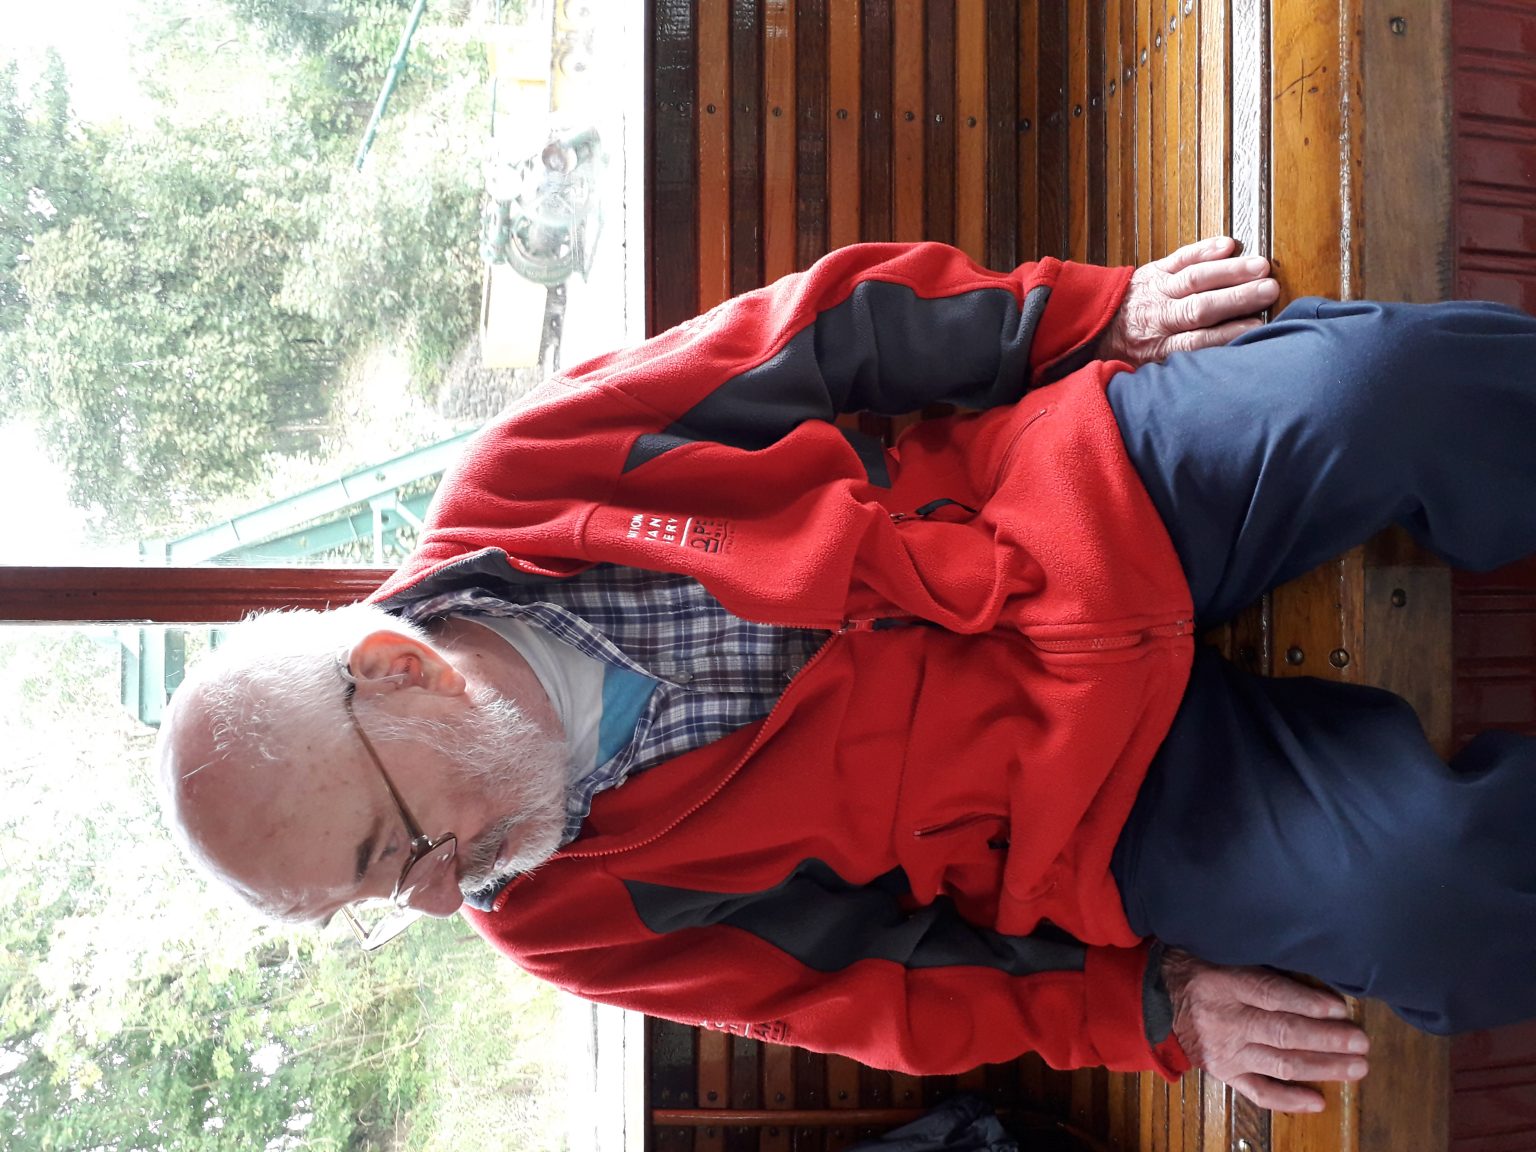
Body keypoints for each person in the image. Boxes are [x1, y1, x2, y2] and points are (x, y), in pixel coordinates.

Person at [158, 237, 1536, 1116]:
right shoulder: (558, 922)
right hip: (1091, 815)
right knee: (1439, 909)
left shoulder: (524, 484)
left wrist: (1086, 315)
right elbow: (869, 993)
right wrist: (1151, 1005)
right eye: (373, 906)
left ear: (398, 669)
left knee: (1390, 390)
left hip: (1067, 501)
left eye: (392, 847)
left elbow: (825, 333)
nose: (434, 896)